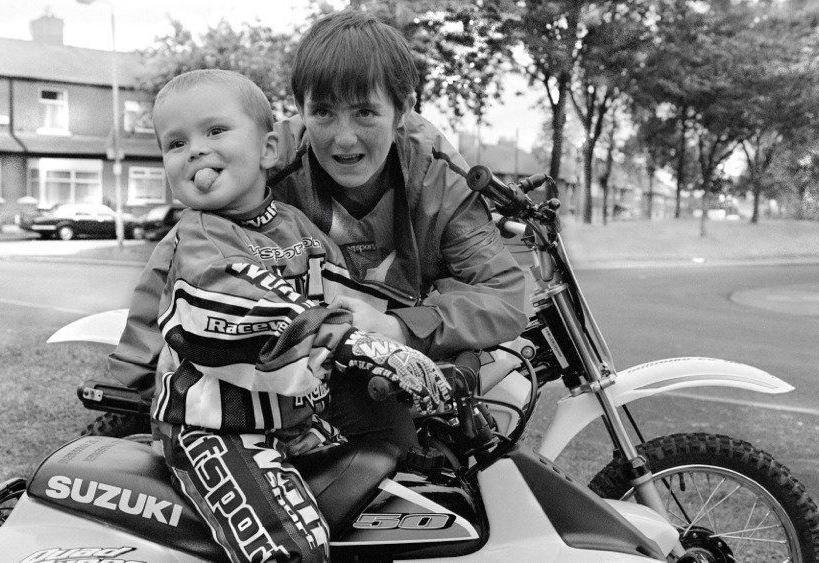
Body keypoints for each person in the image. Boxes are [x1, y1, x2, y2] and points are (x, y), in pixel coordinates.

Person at [107, 10, 527, 453]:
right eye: (323, 113)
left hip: (381, 356)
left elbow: (505, 294)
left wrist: (399, 328)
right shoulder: (268, 155)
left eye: (365, 112)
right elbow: (186, 247)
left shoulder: (438, 177)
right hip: (282, 354)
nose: (344, 139)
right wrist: (132, 384)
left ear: (403, 109)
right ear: (301, 109)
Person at [148, 68, 451, 562]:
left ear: (268, 150)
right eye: (175, 143)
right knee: (293, 547)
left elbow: (349, 299)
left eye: (215, 131)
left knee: (388, 501)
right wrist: (352, 344)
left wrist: (404, 352)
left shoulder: (299, 229)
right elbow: (228, 309)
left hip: (298, 422)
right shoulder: (200, 238)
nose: (196, 151)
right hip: (216, 430)